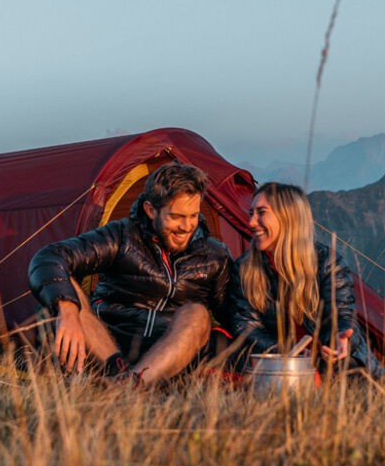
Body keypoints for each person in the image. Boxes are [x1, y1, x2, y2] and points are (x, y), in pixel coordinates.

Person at [28, 162, 232, 384]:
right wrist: (67, 308)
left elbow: (235, 315)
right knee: (66, 288)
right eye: (176, 217)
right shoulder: (121, 236)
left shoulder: (214, 255)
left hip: (167, 353)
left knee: (197, 314)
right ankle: (118, 374)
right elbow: (49, 257)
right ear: (150, 210)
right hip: (109, 345)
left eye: (194, 215)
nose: (187, 226)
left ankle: (133, 383)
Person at [225, 182, 385, 377]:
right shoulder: (245, 268)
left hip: (327, 358)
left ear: (288, 217)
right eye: (251, 213)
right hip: (277, 362)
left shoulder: (326, 262)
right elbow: (246, 325)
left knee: (344, 370)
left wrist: (340, 338)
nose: (251, 222)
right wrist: (283, 352)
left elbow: (342, 313)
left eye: (261, 213)